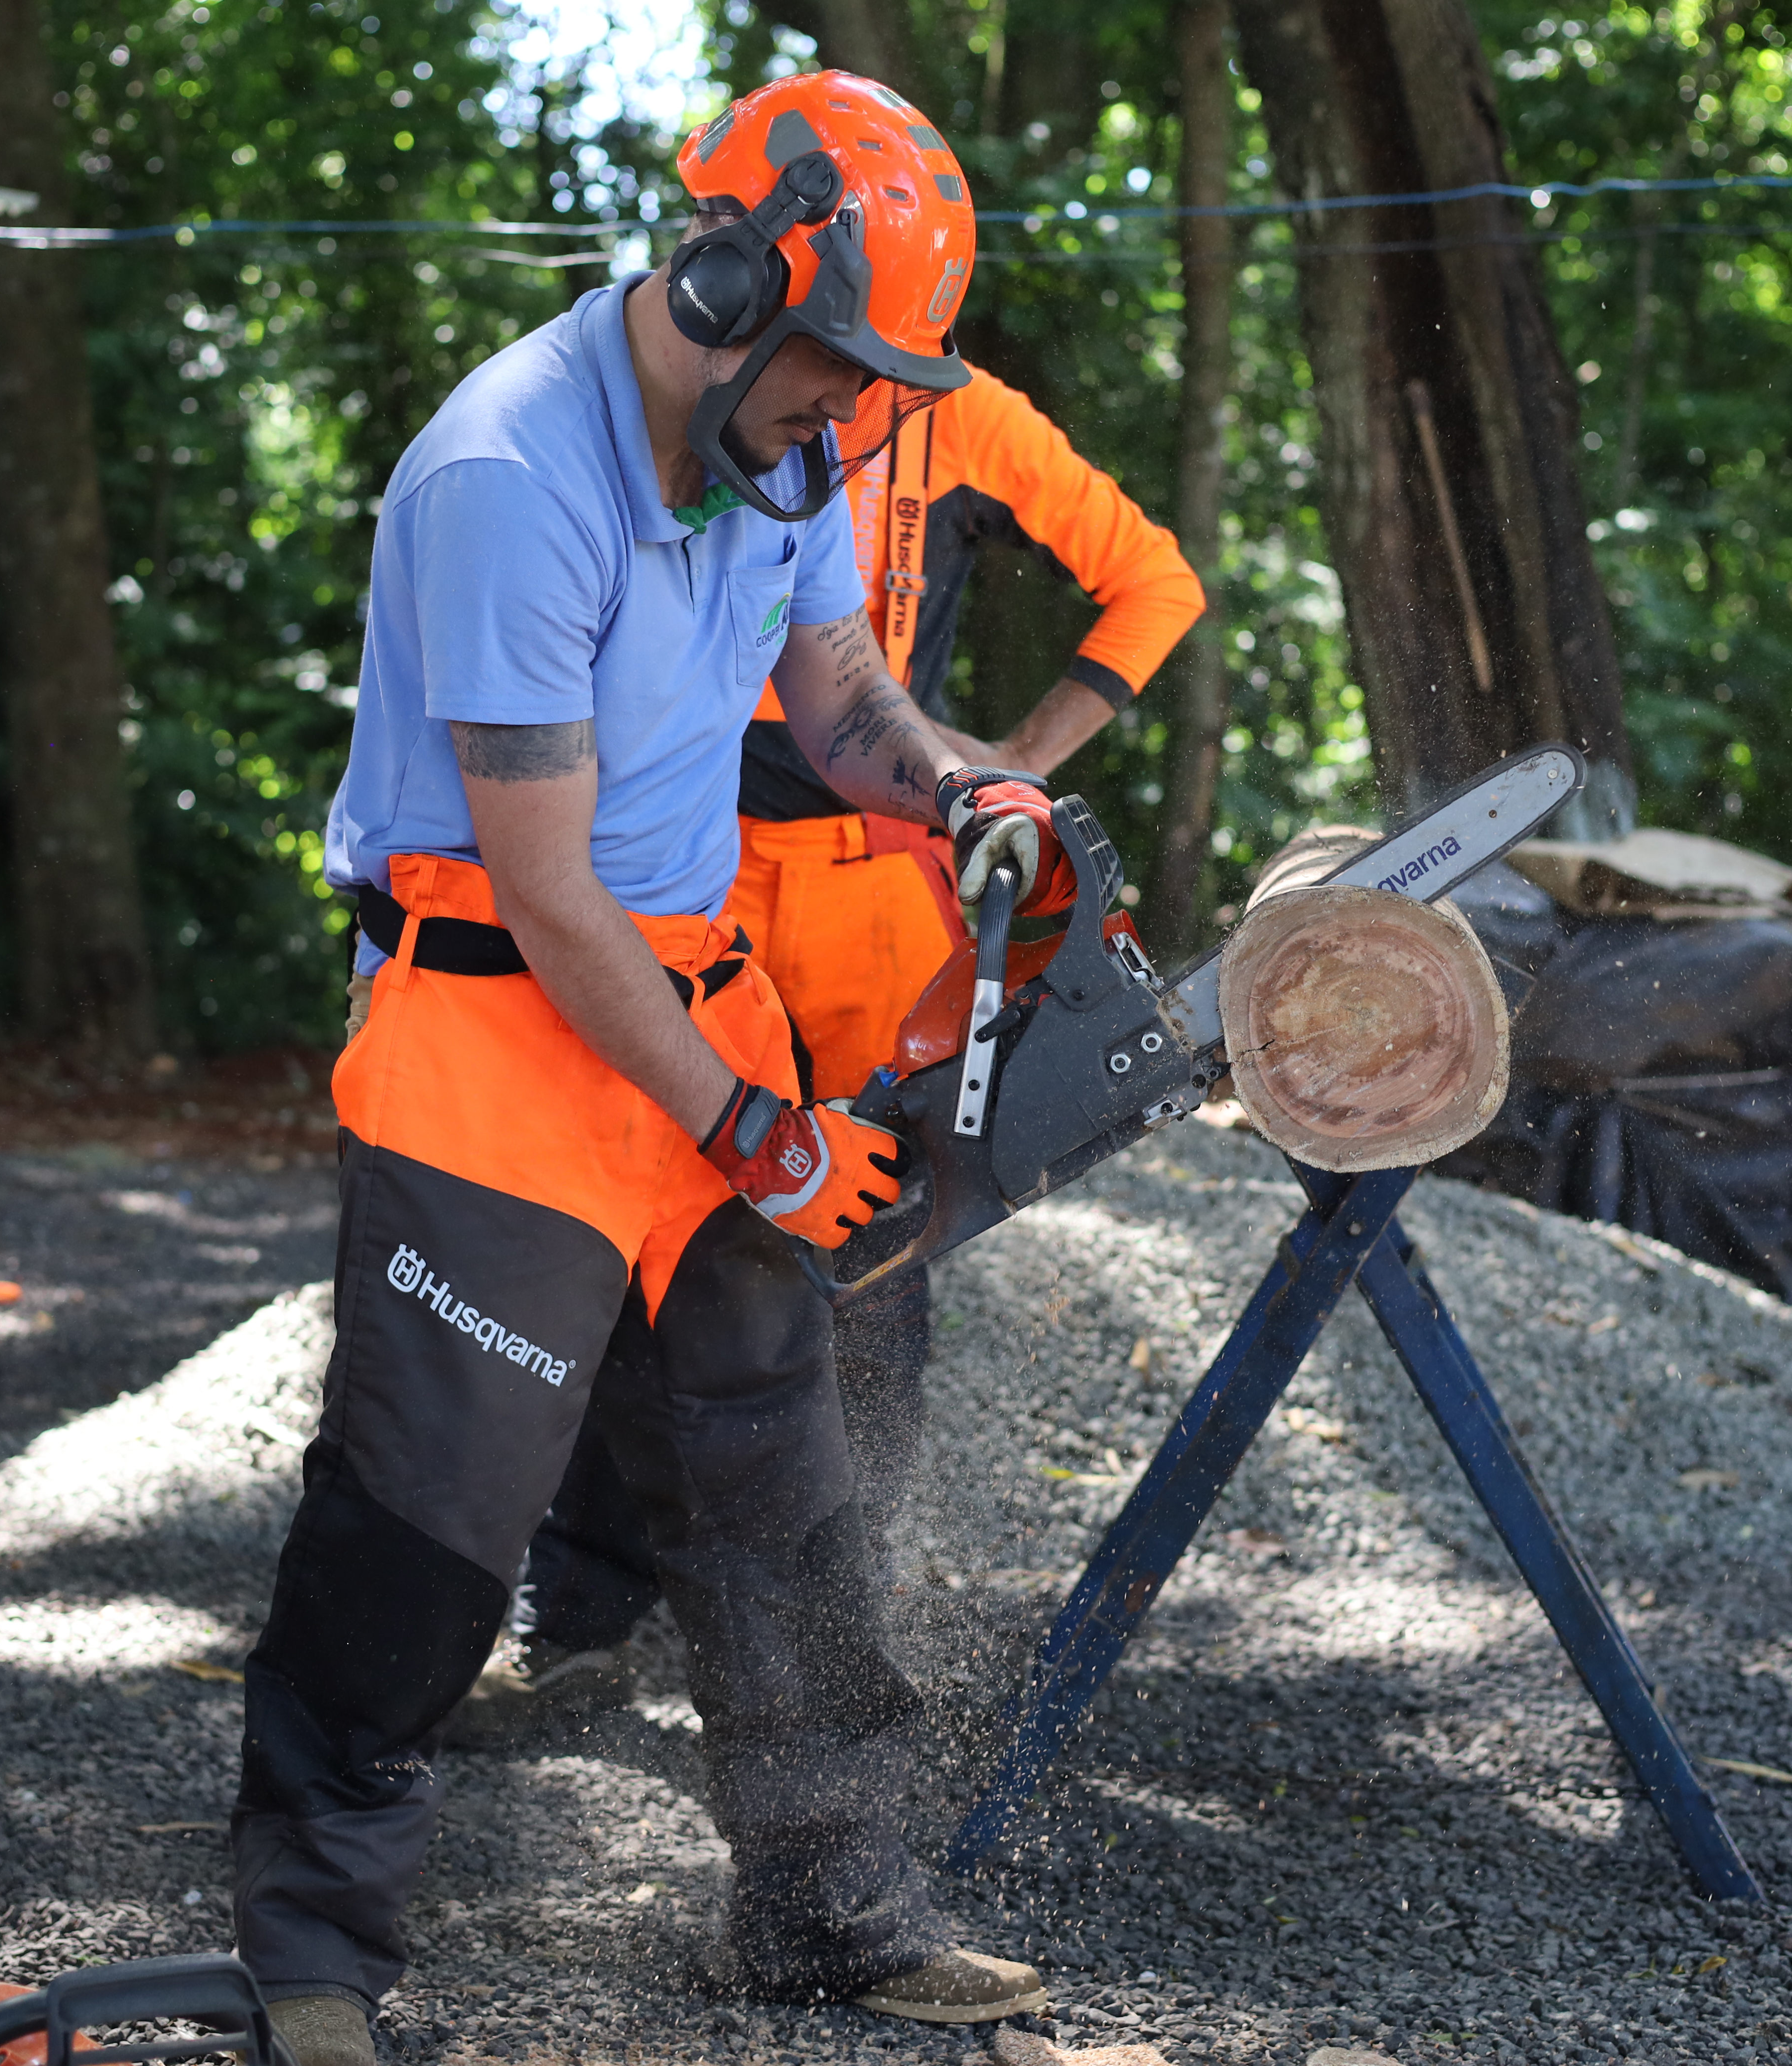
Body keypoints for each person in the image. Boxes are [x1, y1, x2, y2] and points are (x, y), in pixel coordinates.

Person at [235, 71, 1106, 2066]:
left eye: (881, 381)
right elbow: (545, 892)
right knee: (430, 1516)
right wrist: (758, 1127)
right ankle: (311, 1947)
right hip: (496, 1022)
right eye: (833, 367)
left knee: (773, 1471)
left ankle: (825, 1897)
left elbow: (843, 694)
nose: (853, 416)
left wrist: (964, 786)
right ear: (726, 277)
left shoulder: (784, 460)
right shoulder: (506, 478)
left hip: (693, 1003)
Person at [480, 333, 1206, 1720]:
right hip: (690, 864)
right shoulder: (683, 408)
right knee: (650, 1215)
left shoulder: (974, 419)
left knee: (877, 1230)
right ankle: (576, 1609)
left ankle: (833, 1626)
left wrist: (1009, 767)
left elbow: (1155, 583)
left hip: (879, 882)